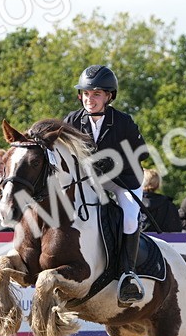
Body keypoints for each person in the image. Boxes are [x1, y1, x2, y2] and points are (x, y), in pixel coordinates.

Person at [62, 64, 147, 304]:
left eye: (96, 94)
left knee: (130, 216)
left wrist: (112, 164)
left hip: (123, 179)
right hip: (89, 180)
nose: (90, 99)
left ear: (108, 96)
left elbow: (142, 153)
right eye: (86, 94)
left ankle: (128, 274)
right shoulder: (72, 121)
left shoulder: (123, 121)